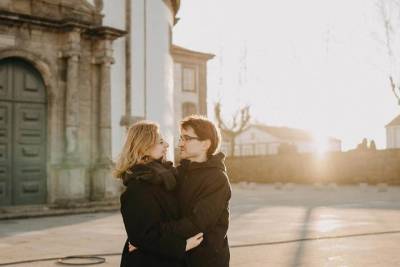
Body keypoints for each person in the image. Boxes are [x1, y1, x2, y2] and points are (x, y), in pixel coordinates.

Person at [131, 115, 232, 267]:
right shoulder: (178, 173)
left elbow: (198, 223)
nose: (180, 144)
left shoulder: (217, 179)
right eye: (180, 138)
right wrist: (146, 239)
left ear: (205, 144)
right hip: (178, 256)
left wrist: (151, 237)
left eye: (187, 138)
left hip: (206, 259)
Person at [113, 121, 203, 267]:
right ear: (144, 146)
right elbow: (142, 236)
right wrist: (183, 245)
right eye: (161, 142)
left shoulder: (166, 177)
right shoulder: (137, 188)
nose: (167, 145)